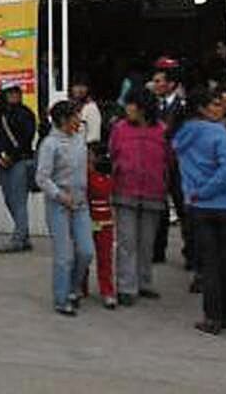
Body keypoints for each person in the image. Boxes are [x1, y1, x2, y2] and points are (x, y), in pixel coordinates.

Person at [173, 86, 226, 335]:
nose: (222, 108)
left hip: (199, 205)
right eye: (216, 104)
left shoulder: (181, 134)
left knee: (210, 264)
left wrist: (198, 193)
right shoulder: (219, 133)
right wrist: (207, 191)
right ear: (202, 108)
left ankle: (212, 316)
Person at [109, 87, 167, 306]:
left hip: (153, 191)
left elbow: (169, 159)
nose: (128, 108)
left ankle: (144, 281)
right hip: (125, 190)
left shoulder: (162, 130)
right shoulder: (119, 129)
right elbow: (113, 153)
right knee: (127, 241)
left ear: (143, 107)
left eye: (131, 104)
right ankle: (126, 286)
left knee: (147, 242)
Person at [36, 100, 93, 316]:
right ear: (63, 120)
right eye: (75, 116)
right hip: (58, 205)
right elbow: (42, 178)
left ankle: (74, 287)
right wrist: (60, 195)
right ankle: (62, 299)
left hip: (80, 203)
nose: (79, 120)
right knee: (64, 256)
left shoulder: (80, 139)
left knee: (86, 251)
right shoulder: (50, 144)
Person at [0, 85, 37, 253]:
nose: (14, 96)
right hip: (3, 162)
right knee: (9, 200)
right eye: (10, 93)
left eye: (17, 93)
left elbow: (27, 138)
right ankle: (24, 236)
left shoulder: (26, 113)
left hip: (21, 162)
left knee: (18, 201)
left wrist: (12, 157)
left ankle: (18, 238)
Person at [152, 65, 190, 268]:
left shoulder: (182, 106)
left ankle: (191, 252)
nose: (155, 85)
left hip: (178, 162)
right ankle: (158, 250)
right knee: (160, 207)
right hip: (159, 161)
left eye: (159, 81)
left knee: (183, 207)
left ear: (171, 84)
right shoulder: (154, 106)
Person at [85, 141, 117, 309]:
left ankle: (107, 291)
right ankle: (80, 286)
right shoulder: (84, 175)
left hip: (105, 222)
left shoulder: (109, 175)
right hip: (88, 220)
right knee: (84, 255)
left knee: (105, 258)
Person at [70, 77, 103, 144]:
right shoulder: (71, 107)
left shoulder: (91, 108)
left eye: (83, 86)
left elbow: (94, 137)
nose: (79, 89)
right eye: (76, 86)